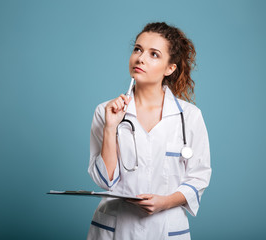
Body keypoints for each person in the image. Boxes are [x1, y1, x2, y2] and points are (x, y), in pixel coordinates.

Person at [87, 22, 211, 240]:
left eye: (154, 54)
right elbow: (105, 181)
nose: (140, 58)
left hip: (167, 228)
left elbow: (199, 177)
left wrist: (165, 202)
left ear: (170, 68)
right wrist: (110, 127)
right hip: (115, 229)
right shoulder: (106, 111)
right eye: (138, 49)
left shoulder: (190, 116)